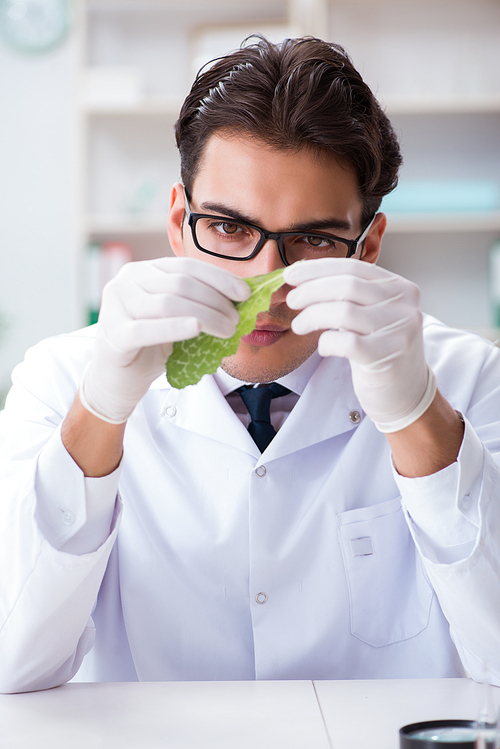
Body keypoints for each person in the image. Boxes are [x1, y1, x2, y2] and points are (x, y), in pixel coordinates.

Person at [1, 36, 500, 695]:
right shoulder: (64, 376)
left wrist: (418, 417)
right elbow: (14, 663)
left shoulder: (464, 377)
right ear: (181, 222)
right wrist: (100, 409)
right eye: (231, 228)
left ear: (369, 244)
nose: (266, 279)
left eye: (315, 238)